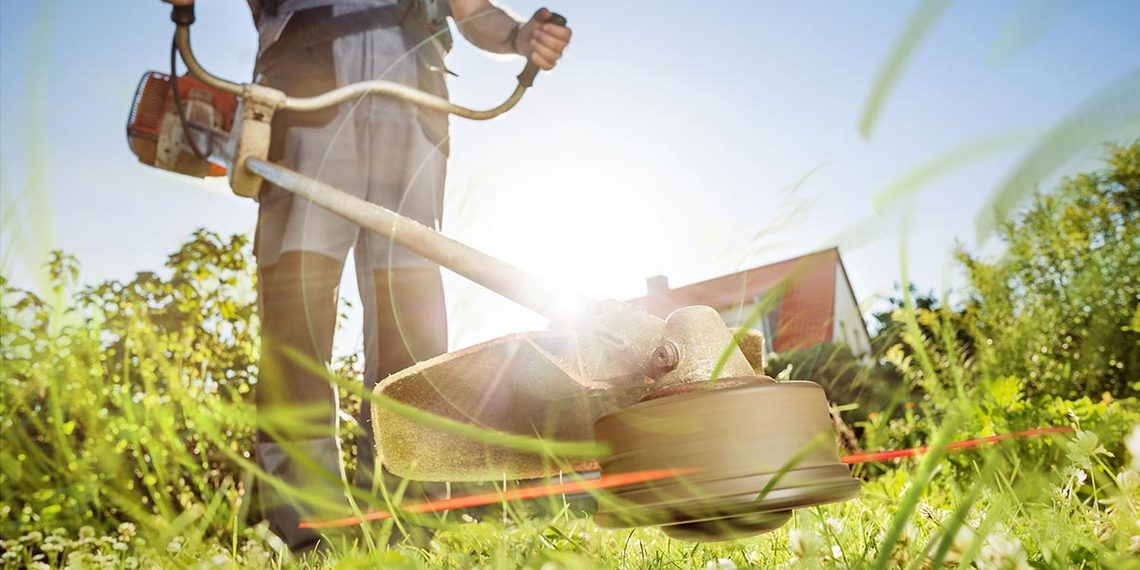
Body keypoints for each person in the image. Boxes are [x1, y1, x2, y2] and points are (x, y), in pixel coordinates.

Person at [164, 0, 571, 551]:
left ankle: (409, 536)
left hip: (412, 107)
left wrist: (521, 36)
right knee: (295, 328)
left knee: (412, 330)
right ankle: (309, 541)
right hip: (303, 103)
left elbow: (472, 10)